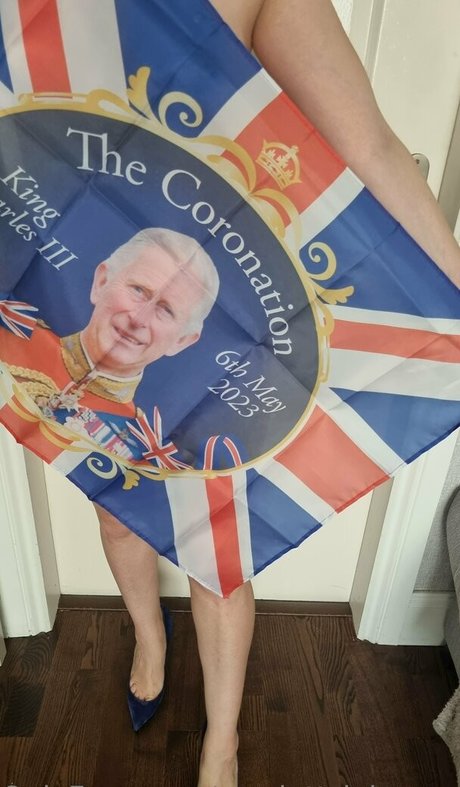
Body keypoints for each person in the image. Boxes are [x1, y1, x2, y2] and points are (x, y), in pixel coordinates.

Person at [94, 2, 460, 787]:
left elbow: (371, 149)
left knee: (214, 550)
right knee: (116, 509)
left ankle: (221, 742)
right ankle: (149, 639)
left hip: (223, 317)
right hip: (107, 284)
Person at [0, 227, 219, 460]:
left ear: (182, 340)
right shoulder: (8, 333)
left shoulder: (137, 453)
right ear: (101, 282)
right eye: (138, 290)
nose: (139, 319)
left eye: (166, 310)